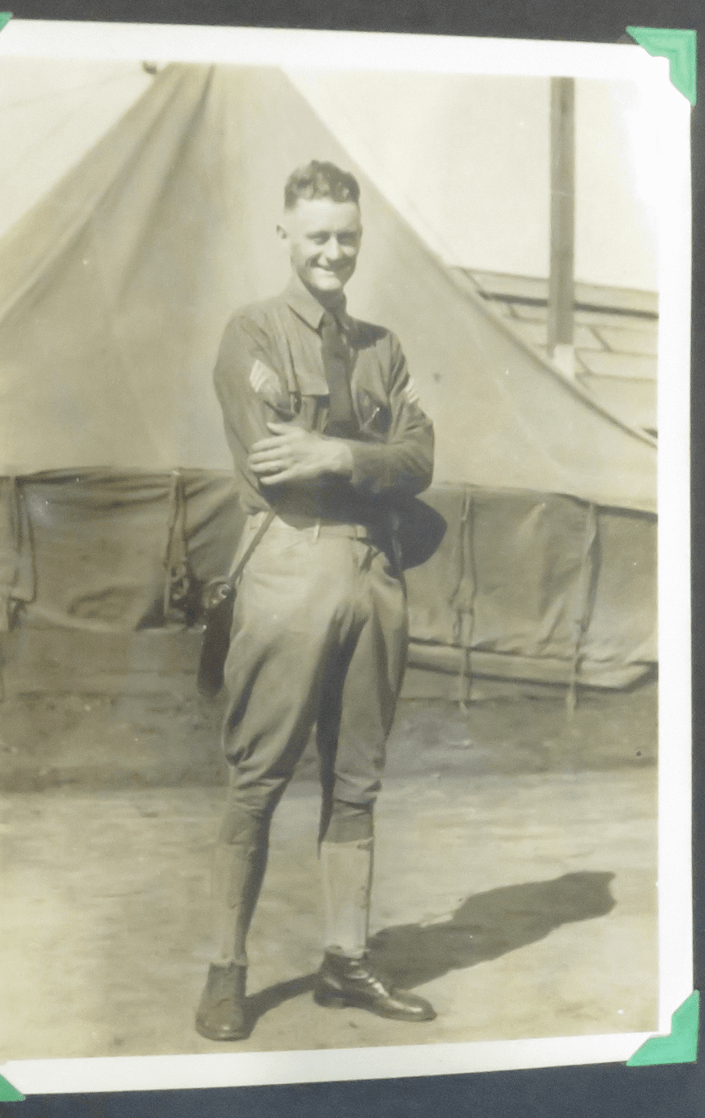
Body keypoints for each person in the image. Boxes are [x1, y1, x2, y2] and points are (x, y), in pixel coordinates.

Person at [195, 160, 437, 1041]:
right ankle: (226, 970)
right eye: (317, 236)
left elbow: (421, 461)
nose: (333, 251)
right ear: (285, 237)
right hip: (290, 570)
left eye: (347, 236)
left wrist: (338, 456)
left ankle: (345, 961)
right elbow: (273, 463)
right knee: (258, 779)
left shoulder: (385, 347)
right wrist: (376, 460)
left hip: (375, 577)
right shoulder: (251, 333)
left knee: (358, 782)